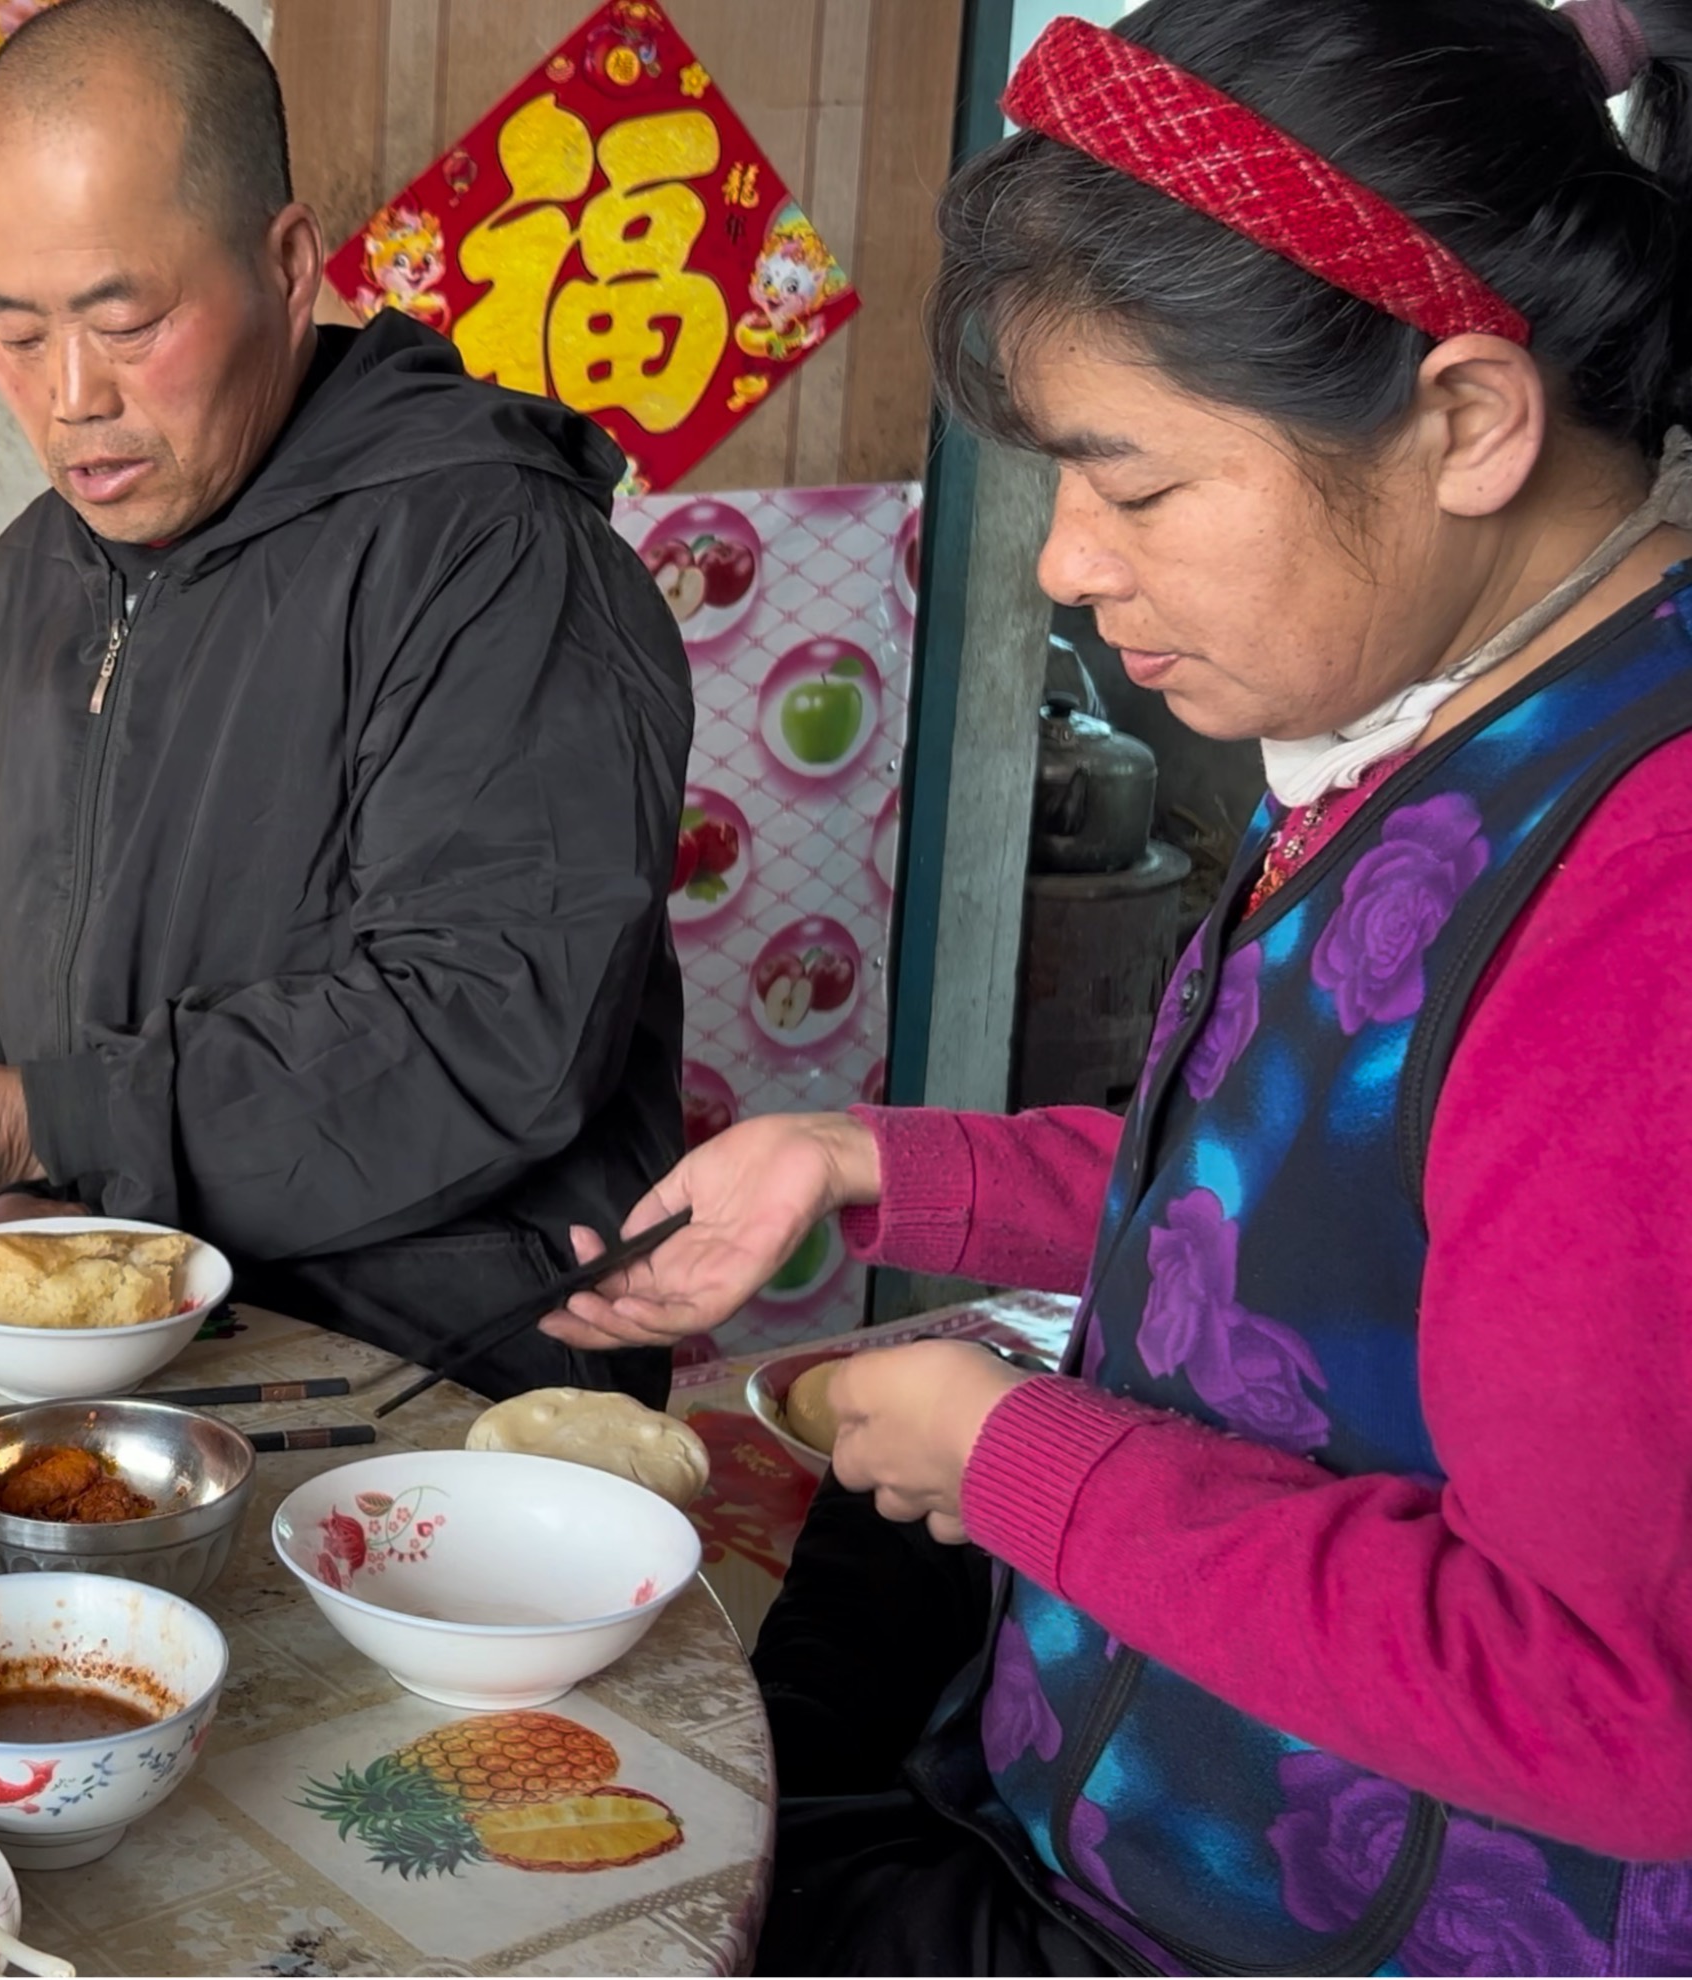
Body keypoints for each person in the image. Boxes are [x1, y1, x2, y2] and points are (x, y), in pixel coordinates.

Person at [554, 0, 1692, 1969]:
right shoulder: (1434, 727)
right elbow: (1303, 1211)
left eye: (1138, 488)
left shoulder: (1641, 908)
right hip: (1092, 1799)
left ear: (1466, 423)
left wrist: (1020, 1466)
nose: (1068, 565)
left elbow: (1616, 1698)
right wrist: (861, 1165)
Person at [0, 0, 695, 1403]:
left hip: (434, 1391)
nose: (73, 399)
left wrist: (45, 1126)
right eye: (14, 334)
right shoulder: (27, 584)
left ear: (289, 266)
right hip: (114, 1362)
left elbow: (488, 1022)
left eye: (128, 323)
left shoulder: (487, 555)